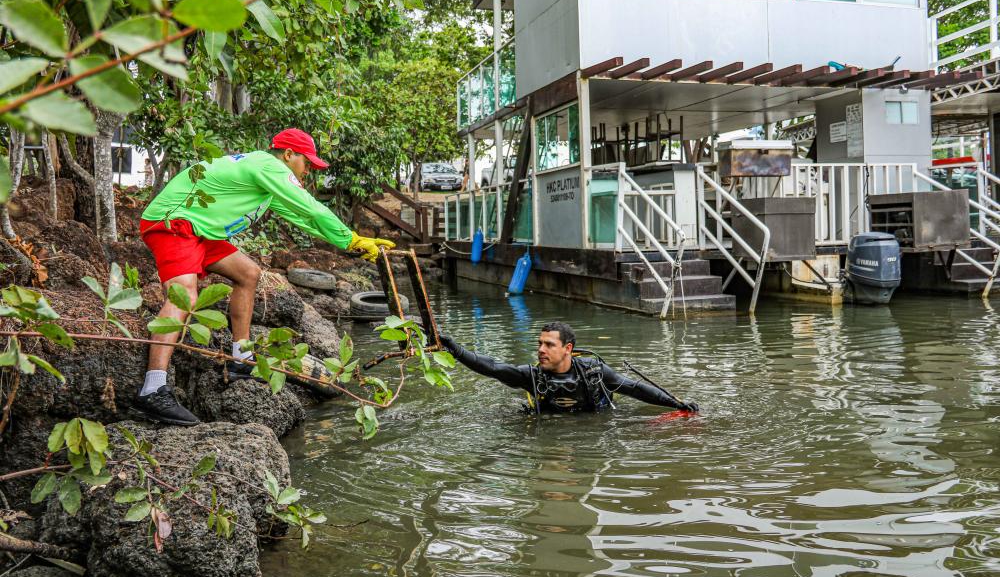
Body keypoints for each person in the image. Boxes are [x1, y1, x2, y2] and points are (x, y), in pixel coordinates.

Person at [134, 128, 395, 426]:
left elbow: (304, 216)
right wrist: (350, 239)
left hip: (200, 229)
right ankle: (153, 389)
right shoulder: (267, 165)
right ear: (287, 155)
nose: (308, 170)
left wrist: (350, 243)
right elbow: (310, 206)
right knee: (184, 293)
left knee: (248, 273)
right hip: (173, 221)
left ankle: (240, 359)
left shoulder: (266, 183)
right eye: (306, 162)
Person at [440, 322, 698, 414]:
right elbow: (493, 368)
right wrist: (456, 349)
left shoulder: (593, 371)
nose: (541, 350)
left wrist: (676, 404)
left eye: (549, 345)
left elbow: (633, 388)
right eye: (539, 344)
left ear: (568, 349)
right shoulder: (531, 376)